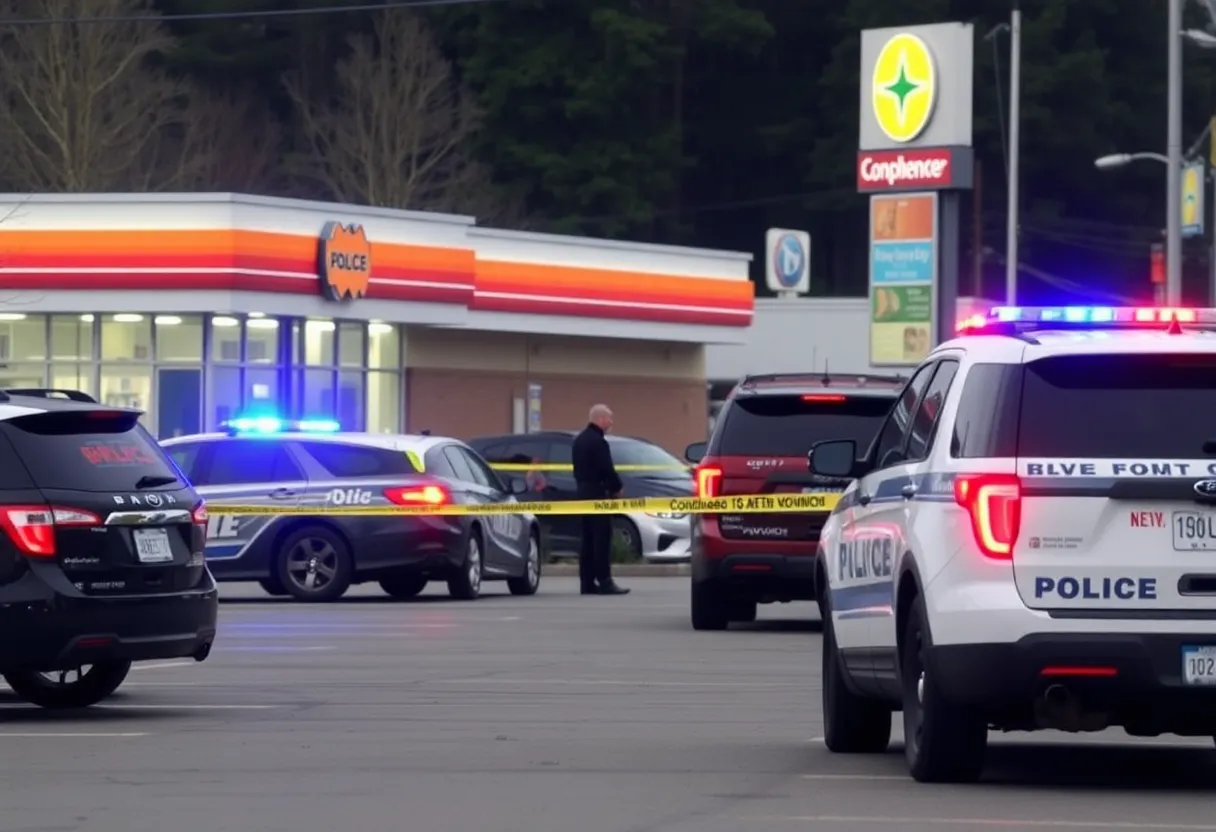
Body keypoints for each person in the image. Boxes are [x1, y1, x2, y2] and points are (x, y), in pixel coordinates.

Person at [571, 404, 630, 596]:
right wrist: (617, 487)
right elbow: (607, 468)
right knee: (602, 538)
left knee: (587, 539)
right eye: (610, 419)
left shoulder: (579, 441)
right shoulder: (599, 442)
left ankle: (586, 582)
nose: (611, 423)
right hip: (598, 494)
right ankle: (605, 581)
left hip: (582, 492)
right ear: (601, 419)